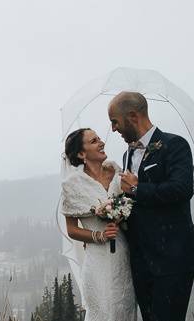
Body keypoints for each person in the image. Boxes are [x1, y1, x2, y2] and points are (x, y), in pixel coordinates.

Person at [108, 91, 194, 321]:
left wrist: (138, 189)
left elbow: (182, 189)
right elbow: (134, 201)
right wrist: (115, 210)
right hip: (141, 259)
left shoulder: (175, 145)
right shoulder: (126, 154)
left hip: (172, 257)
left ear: (132, 116)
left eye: (115, 122)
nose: (113, 129)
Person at [60, 128, 137, 321]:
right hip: (98, 261)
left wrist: (122, 214)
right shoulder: (73, 184)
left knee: (125, 312)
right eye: (94, 141)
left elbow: (132, 207)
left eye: (100, 138)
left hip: (124, 257)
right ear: (81, 154)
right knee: (103, 313)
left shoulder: (117, 172)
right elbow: (72, 229)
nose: (101, 142)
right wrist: (99, 236)